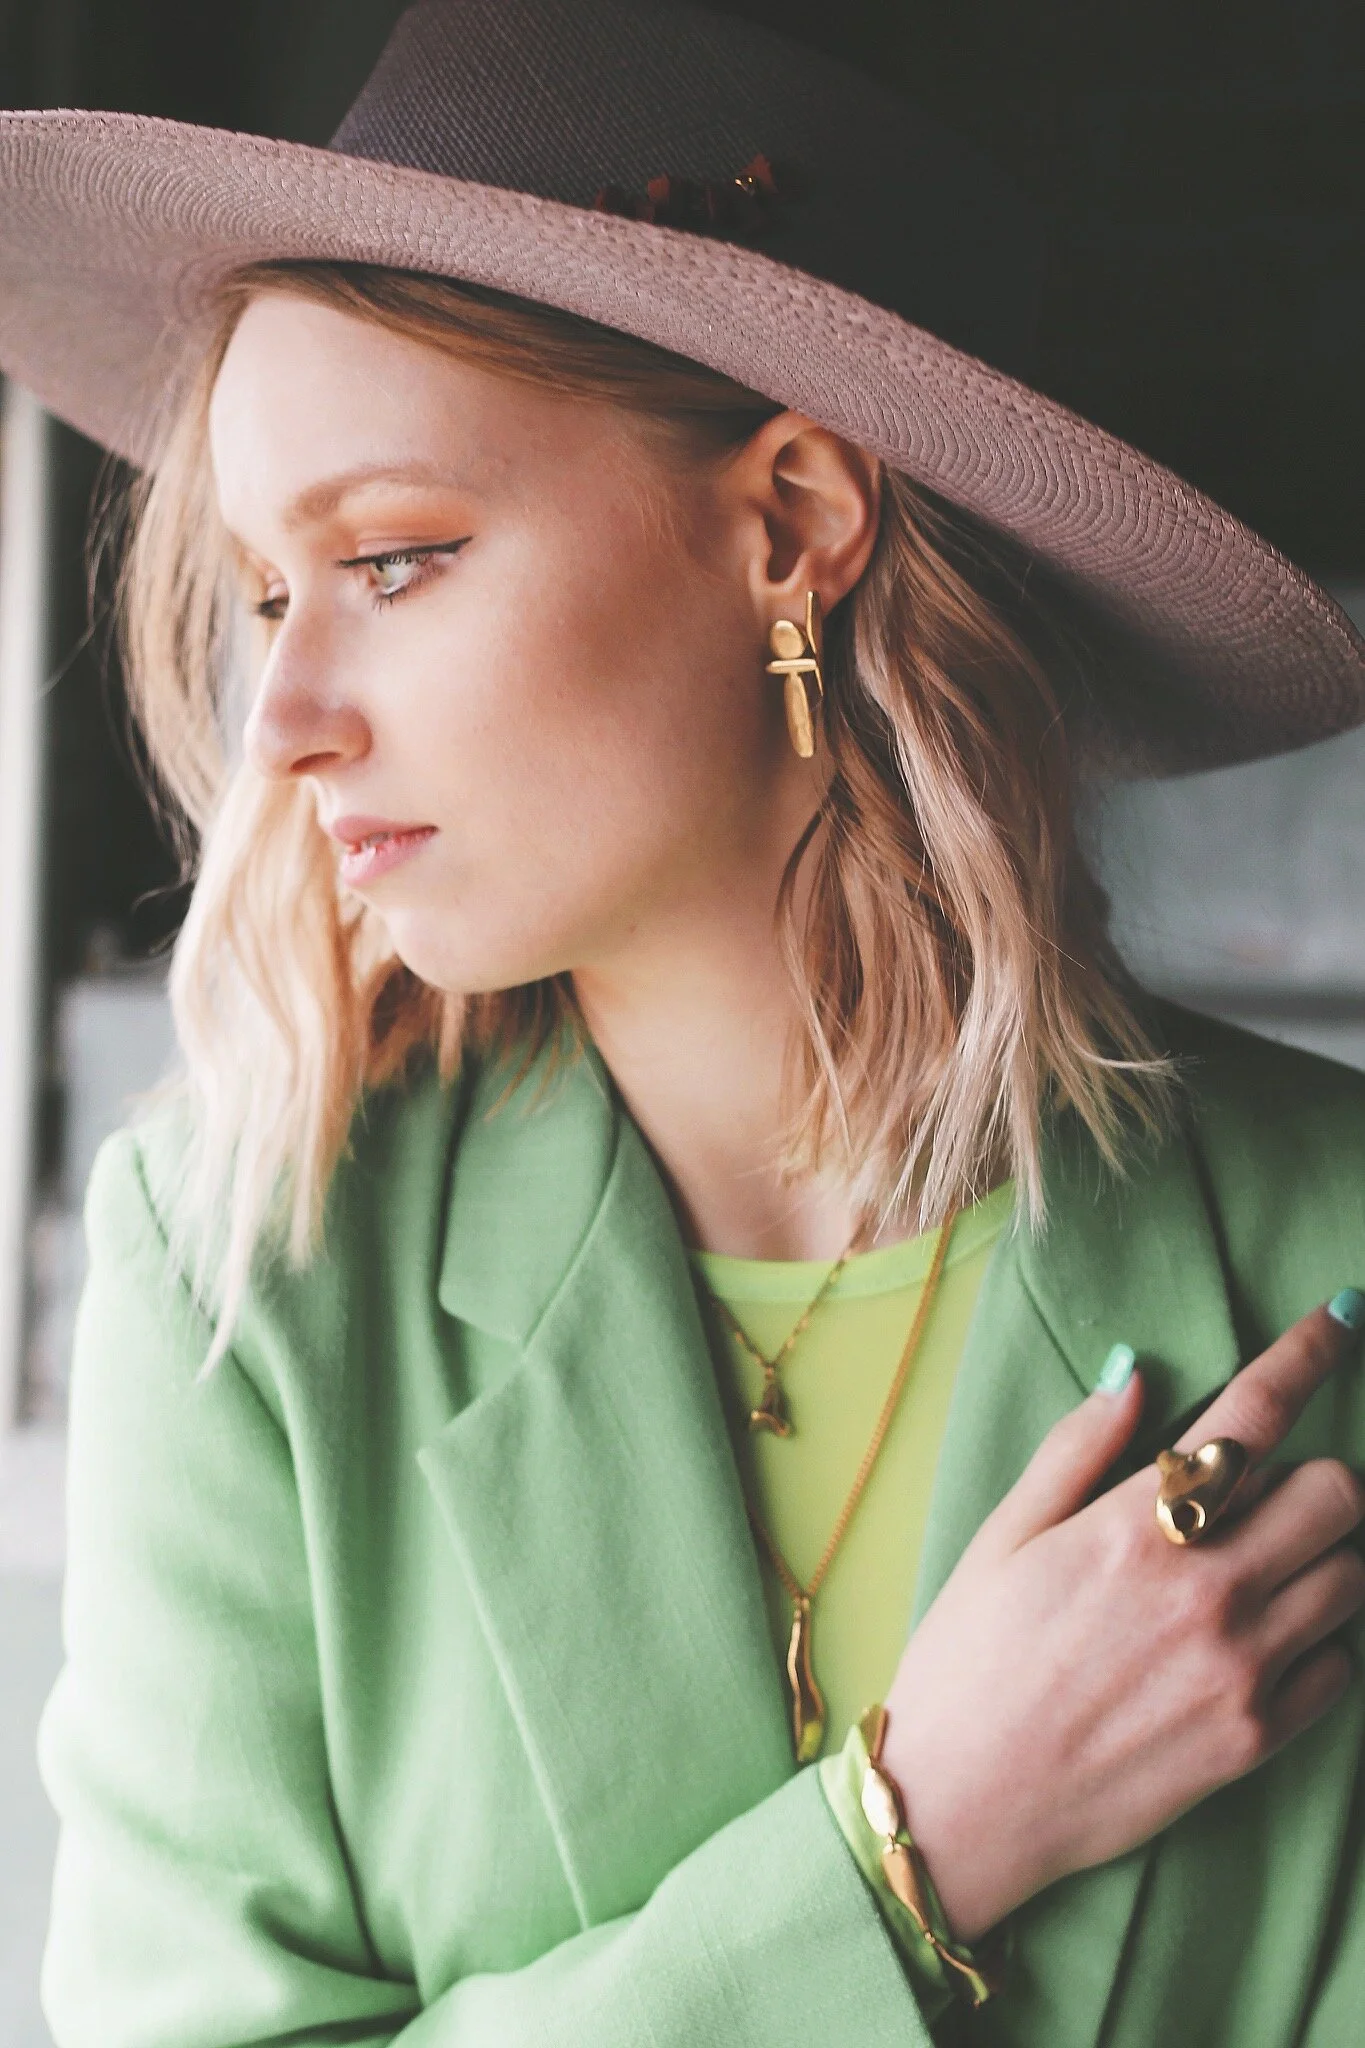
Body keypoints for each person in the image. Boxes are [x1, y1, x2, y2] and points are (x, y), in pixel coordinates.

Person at [4, 3, 1365, 2043]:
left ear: (792, 522)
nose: (281, 720)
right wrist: (914, 1845)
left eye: (394, 559)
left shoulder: (1326, 1247)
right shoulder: (249, 1277)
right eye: (272, 592)